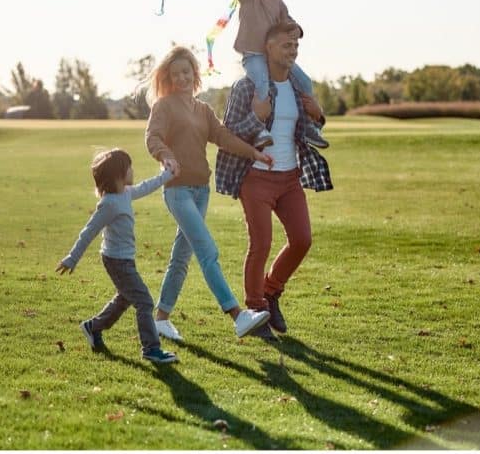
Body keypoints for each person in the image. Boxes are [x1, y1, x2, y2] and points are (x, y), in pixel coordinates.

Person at [144, 46, 274, 342]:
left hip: (201, 191)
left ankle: (161, 318)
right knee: (208, 251)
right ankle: (238, 316)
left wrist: (254, 153)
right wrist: (165, 155)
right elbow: (152, 136)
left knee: (181, 256)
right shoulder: (163, 106)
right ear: (168, 78)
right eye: (175, 74)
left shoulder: (202, 110)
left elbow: (224, 137)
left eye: (186, 72)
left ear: (195, 74)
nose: (181, 78)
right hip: (177, 191)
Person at [215, 21, 333, 340]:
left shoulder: (298, 89)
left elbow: (310, 129)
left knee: (302, 239)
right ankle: (255, 312)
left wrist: (318, 115)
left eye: (295, 46)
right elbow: (228, 132)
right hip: (255, 178)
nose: (292, 51)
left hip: (290, 177)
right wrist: (257, 114)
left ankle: (271, 292)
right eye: (286, 45)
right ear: (267, 47)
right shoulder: (246, 87)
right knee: (261, 244)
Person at [56, 148, 180, 364]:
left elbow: (146, 186)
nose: (133, 170)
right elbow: (89, 231)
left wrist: (166, 175)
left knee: (124, 299)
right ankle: (151, 349)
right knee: (144, 301)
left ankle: (93, 327)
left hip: (124, 260)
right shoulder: (109, 203)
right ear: (118, 175)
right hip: (116, 261)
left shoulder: (125, 193)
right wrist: (72, 258)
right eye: (129, 167)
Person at [230, 0, 328, 150]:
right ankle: (259, 130)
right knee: (263, 86)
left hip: (275, 56)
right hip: (254, 55)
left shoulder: (279, 4)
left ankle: (310, 127)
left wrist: (297, 29)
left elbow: (289, 23)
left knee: (305, 82)